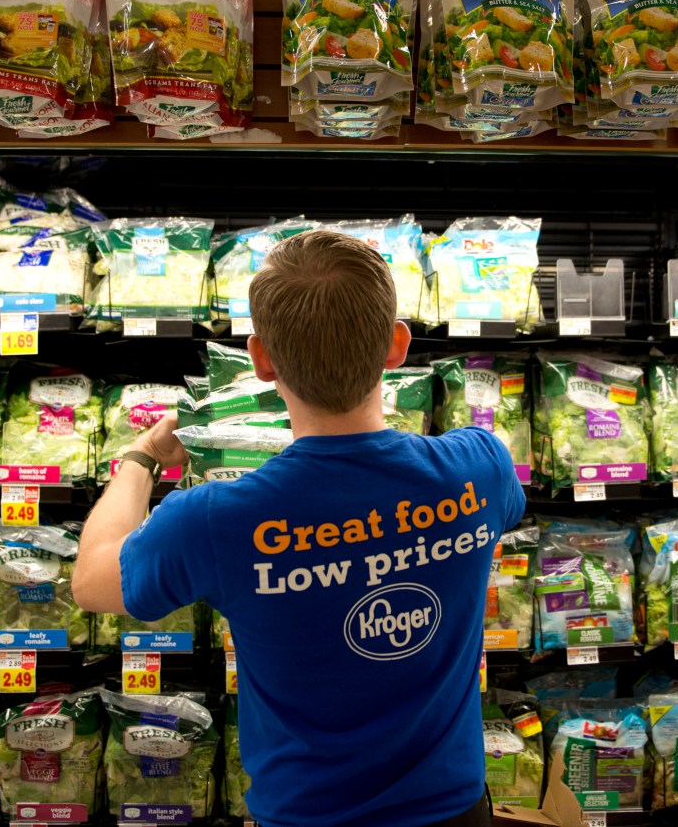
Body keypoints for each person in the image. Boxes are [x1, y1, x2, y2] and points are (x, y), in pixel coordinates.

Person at [72, 230, 526, 827]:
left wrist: (139, 460)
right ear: (396, 347)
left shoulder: (215, 519)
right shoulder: (481, 467)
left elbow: (92, 580)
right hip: (454, 809)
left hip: (305, 813)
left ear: (261, 359)